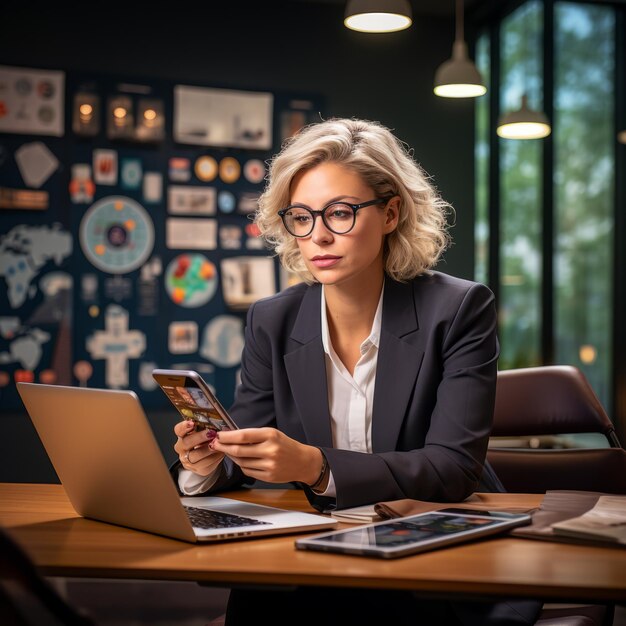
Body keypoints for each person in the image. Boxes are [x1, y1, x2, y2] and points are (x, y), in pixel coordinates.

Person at [172, 117, 542, 625]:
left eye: (340, 213)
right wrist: (207, 463)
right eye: (301, 217)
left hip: (436, 552)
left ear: (391, 213)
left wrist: (315, 467)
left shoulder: (458, 309)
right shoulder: (272, 319)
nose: (319, 235)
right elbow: (250, 446)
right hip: (315, 552)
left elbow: (452, 468)